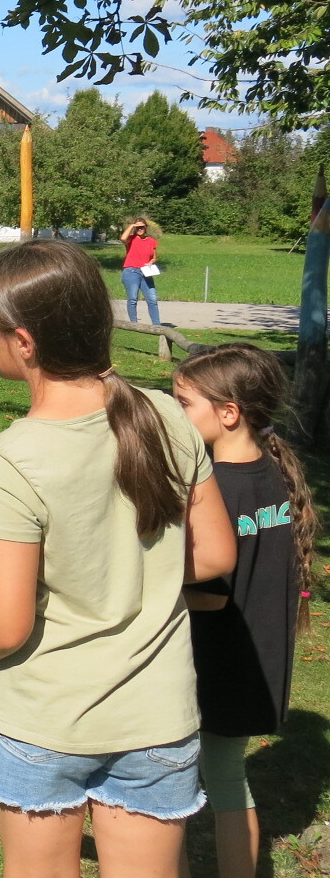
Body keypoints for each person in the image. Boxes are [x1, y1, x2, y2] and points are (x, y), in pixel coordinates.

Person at [0, 238, 235, 878]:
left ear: (23, 342)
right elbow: (218, 552)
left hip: (43, 722)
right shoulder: (167, 413)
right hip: (157, 719)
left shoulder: (11, 459)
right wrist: (134, 568)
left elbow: (2, 625)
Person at [173, 344, 321, 878]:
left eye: (184, 403)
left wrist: (141, 592)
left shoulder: (218, 488)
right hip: (255, 657)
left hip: (214, 661)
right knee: (228, 777)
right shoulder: (273, 470)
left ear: (229, 413)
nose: (176, 414)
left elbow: (210, 594)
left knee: (174, 785)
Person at [120, 215, 162, 326]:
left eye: (142, 227)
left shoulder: (151, 241)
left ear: (146, 227)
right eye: (137, 227)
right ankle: (134, 324)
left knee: (152, 299)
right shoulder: (131, 239)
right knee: (133, 299)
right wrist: (132, 226)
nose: (140, 229)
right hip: (131, 271)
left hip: (146, 272)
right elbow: (123, 238)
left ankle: (157, 325)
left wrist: (151, 262)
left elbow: (154, 257)